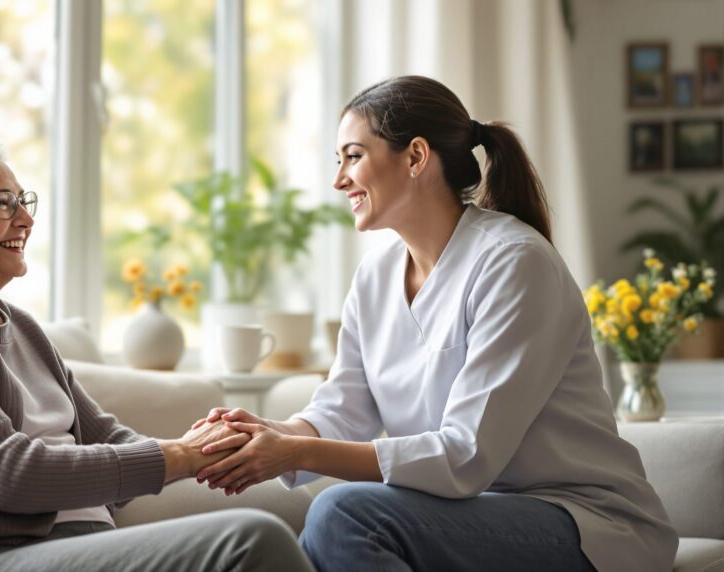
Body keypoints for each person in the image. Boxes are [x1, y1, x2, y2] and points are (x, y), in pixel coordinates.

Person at [192, 76, 678, 572]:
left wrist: (295, 451)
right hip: (468, 512)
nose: (339, 180)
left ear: (416, 157)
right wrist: (265, 433)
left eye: (353, 156)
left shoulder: (514, 262)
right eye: (337, 161)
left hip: (584, 522)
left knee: (347, 514)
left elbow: (465, 454)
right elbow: (344, 410)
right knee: (341, 515)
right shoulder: (375, 278)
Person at [0, 140, 314, 572]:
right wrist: (180, 456)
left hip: (64, 546)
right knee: (250, 541)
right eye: (0, 204)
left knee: (293, 514)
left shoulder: (18, 324)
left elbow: (105, 435)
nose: (25, 220)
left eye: (22, 201)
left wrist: (214, 445)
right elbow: (4, 473)